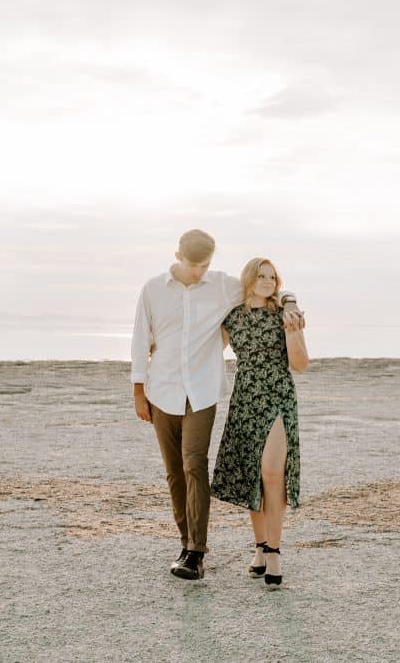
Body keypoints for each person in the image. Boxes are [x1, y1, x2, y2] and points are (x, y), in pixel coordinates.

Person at [130, 230, 304, 581]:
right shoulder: (152, 289)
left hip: (204, 392)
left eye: (205, 265)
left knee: (196, 463)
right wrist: (138, 390)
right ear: (178, 255)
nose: (198, 271)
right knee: (175, 471)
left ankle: (196, 552)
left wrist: (290, 302)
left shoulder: (223, 286)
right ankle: (189, 542)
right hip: (163, 390)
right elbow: (139, 340)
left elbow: (265, 286)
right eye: (193, 264)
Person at [210, 257, 308, 588]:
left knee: (271, 470)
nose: (268, 281)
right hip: (246, 398)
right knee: (252, 473)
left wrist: (293, 332)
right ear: (249, 279)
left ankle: (276, 550)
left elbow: (301, 364)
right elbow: (207, 350)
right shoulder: (233, 318)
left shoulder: (285, 313)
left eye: (273, 277)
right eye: (262, 275)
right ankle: (261, 546)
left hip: (278, 395)